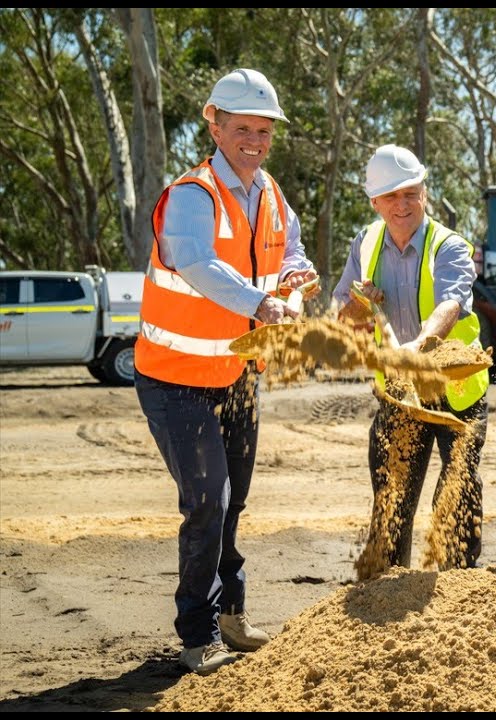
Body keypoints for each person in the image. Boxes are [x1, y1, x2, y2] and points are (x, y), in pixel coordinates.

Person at [134, 68, 319, 675]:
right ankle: (198, 633)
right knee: (207, 500)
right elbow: (195, 261)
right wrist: (261, 303)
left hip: (239, 374)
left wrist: (295, 275)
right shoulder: (192, 195)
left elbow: (289, 250)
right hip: (175, 378)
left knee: (233, 499)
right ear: (214, 123)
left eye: (263, 131)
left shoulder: (270, 195)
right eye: (242, 128)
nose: (254, 141)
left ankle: (233, 612)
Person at [333, 144, 489, 572]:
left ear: (424, 192)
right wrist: (358, 311)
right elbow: (342, 307)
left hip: (454, 386)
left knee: (456, 491)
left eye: (411, 193)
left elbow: (451, 304)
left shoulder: (449, 245)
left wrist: (417, 346)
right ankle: (387, 585)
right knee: (392, 490)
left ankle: (457, 590)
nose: (403, 204)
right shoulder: (365, 244)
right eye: (391, 196)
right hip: (399, 394)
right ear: (375, 202)